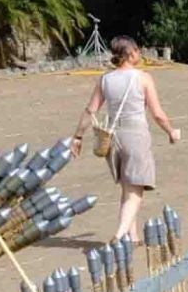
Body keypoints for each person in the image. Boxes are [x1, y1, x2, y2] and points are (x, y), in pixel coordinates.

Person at [73, 35, 181, 242]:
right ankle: (120, 234)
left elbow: (90, 110)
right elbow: (157, 114)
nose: (139, 54)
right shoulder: (142, 78)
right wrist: (170, 131)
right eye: (138, 51)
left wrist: (78, 136)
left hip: (113, 137)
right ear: (131, 53)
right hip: (135, 135)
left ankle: (133, 237)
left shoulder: (105, 79)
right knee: (135, 191)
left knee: (127, 186)